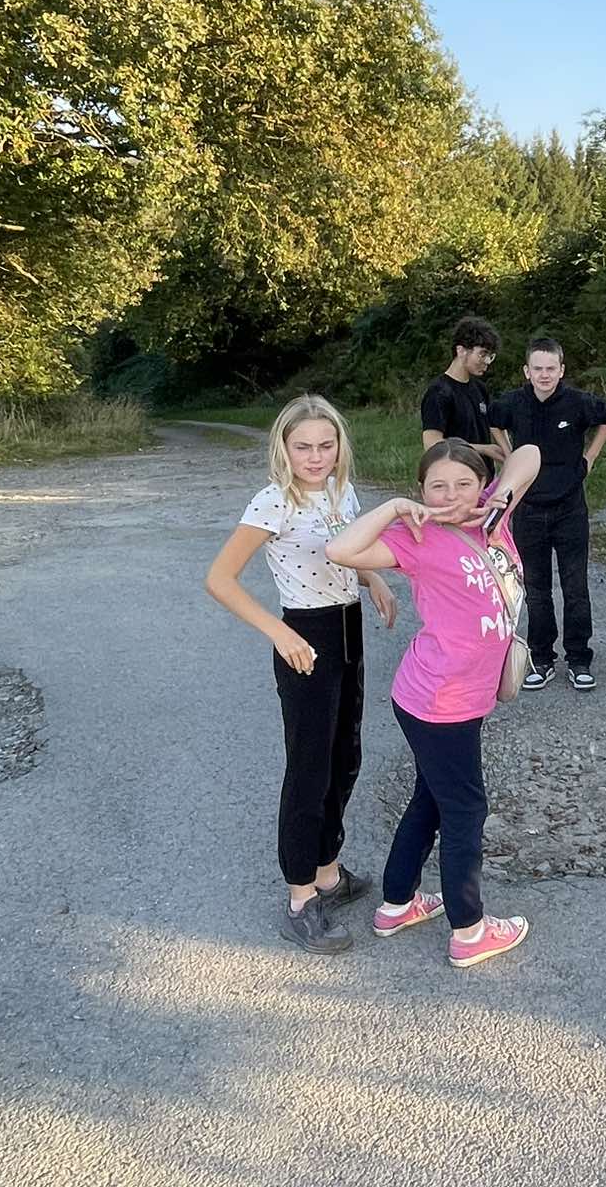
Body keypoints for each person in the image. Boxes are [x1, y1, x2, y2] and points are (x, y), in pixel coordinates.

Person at [325, 440, 541, 968]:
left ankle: (397, 904)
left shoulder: (492, 514)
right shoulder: (415, 535)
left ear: (482, 485)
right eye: (436, 486)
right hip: (439, 700)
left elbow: (530, 453)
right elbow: (340, 551)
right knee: (465, 808)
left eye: (464, 483)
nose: (452, 495)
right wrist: (395, 508)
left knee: (431, 797)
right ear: (421, 491)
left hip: (457, 696)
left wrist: (502, 496)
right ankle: (469, 930)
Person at [205, 394, 399, 955]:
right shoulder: (274, 502)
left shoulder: (342, 491)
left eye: (325, 445)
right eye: (303, 447)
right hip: (305, 638)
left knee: (345, 756)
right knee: (310, 768)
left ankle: (328, 873)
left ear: (340, 446)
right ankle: (299, 898)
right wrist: (279, 632)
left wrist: (375, 580)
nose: (315, 457)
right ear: (284, 449)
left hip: (348, 630)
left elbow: (348, 552)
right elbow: (219, 579)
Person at [489, 338, 606, 691]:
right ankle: (541, 658)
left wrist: (590, 457)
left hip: (569, 509)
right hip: (527, 509)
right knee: (536, 588)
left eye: (550, 369)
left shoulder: (578, 402)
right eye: (537, 369)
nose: (544, 375)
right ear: (526, 371)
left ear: (561, 370)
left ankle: (579, 659)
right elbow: (493, 421)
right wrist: (510, 455)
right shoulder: (513, 403)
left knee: (575, 587)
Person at [420, 315, 505, 464]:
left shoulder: (480, 389)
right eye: (482, 354)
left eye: (490, 356)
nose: (487, 361)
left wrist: (509, 455)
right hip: (456, 475)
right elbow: (432, 445)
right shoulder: (439, 393)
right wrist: (484, 449)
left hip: (484, 475)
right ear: (461, 351)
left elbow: (496, 425)